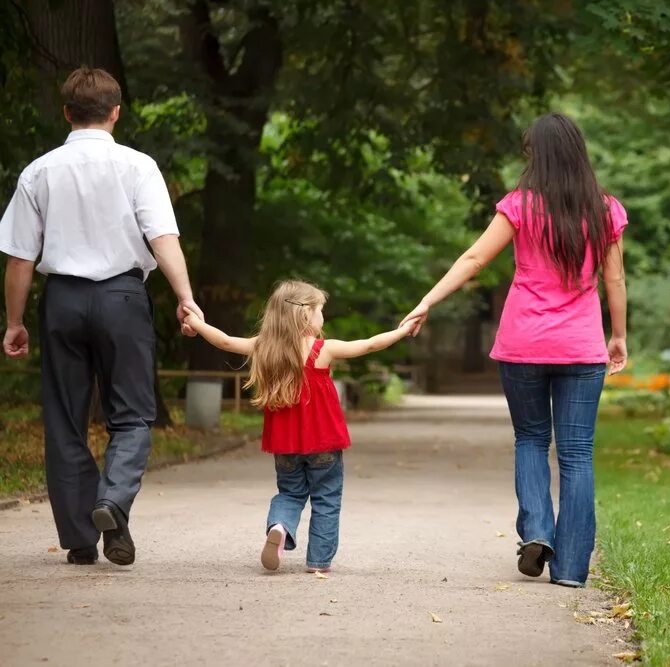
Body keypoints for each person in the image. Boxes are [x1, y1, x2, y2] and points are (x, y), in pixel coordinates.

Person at [400, 112, 628, 588]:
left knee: (530, 439)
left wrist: (426, 301)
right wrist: (619, 336)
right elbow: (615, 279)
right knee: (577, 455)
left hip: (524, 343)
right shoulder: (605, 210)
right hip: (582, 349)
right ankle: (569, 570)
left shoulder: (520, 206)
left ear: (536, 156)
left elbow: (475, 259)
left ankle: (538, 532)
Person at [0, 67, 202, 567]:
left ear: (66, 113)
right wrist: (186, 297)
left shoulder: (39, 171)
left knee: (66, 420)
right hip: (122, 299)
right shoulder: (138, 167)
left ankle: (79, 539)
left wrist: (15, 321)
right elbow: (162, 238)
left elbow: (21, 258)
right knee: (132, 415)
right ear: (116, 112)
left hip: (63, 301)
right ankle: (111, 501)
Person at [182, 280, 415, 572]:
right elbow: (368, 345)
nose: (323, 318)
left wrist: (197, 323)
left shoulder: (265, 348)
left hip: (286, 447)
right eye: (320, 311)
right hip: (324, 445)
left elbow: (225, 341)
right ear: (306, 315)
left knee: (290, 494)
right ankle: (318, 562)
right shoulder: (323, 350)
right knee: (326, 499)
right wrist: (402, 331)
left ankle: (279, 527)